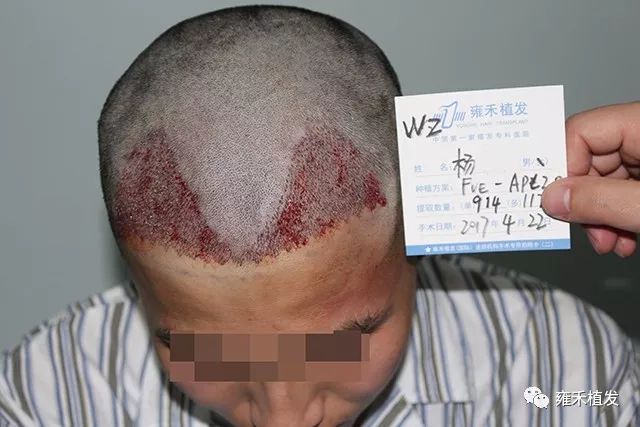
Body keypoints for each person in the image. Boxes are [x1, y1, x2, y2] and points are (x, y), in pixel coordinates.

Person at [0, 6, 638, 427]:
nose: (286, 417)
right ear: (138, 286)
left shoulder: (566, 371)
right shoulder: (51, 396)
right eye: (212, 355)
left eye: (339, 345)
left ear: (415, 238)